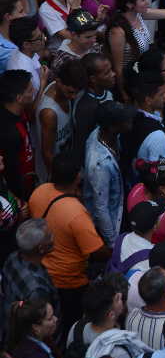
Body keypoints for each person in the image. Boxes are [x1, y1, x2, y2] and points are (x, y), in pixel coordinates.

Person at [26, 151, 109, 333]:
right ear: (77, 176)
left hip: (44, 273)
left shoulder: (39, 192)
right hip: (71, 283)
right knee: (72, 324)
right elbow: (97, 251)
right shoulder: (77, 214)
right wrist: (113, 249)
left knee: (56, 322)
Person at [83, 101, 137, 246]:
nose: (130, 120)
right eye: (126, 120)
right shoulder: (99, 164)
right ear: (113, 127)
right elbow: (101, 208)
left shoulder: (105, 134)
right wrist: (113, 243)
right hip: (112, 221)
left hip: (118, 200)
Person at [0, 219, 58, 322]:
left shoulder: (12, 257)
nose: (53, 237)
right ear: (41, 248)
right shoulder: (37, 289)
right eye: (49, 236)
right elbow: (39, 324)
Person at [0, 70, 36, 200]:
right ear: (19, 98)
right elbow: (11, 172)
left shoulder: (18, 112)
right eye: (30, 90)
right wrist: (19, 200)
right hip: (20, 193)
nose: (34, 91)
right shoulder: (9, 133)